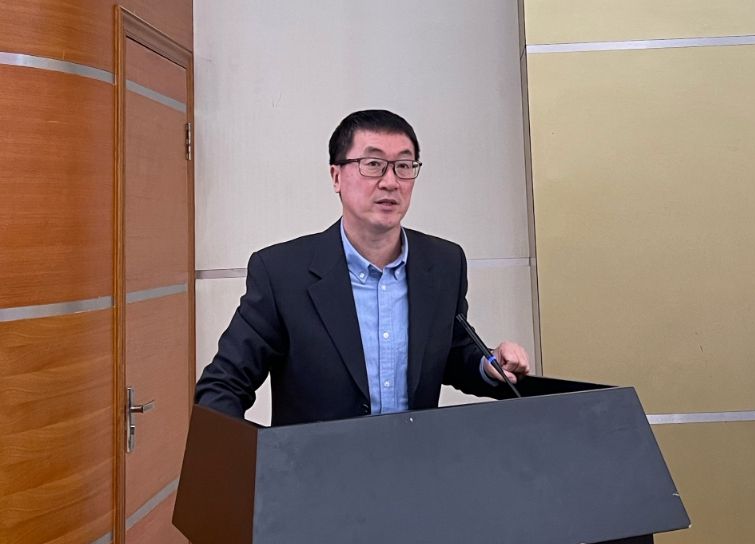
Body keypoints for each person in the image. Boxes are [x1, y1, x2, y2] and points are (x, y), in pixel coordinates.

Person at [196, 109, 530, 425]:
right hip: (319, 465)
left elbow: (452, 352)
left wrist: (488, 364)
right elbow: (223, 385)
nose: (390, 182)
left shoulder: (444, 263)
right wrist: (260, 459)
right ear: (336, 176)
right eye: (373, 165)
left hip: (415, 461)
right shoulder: (281, 273)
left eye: (403, 166)